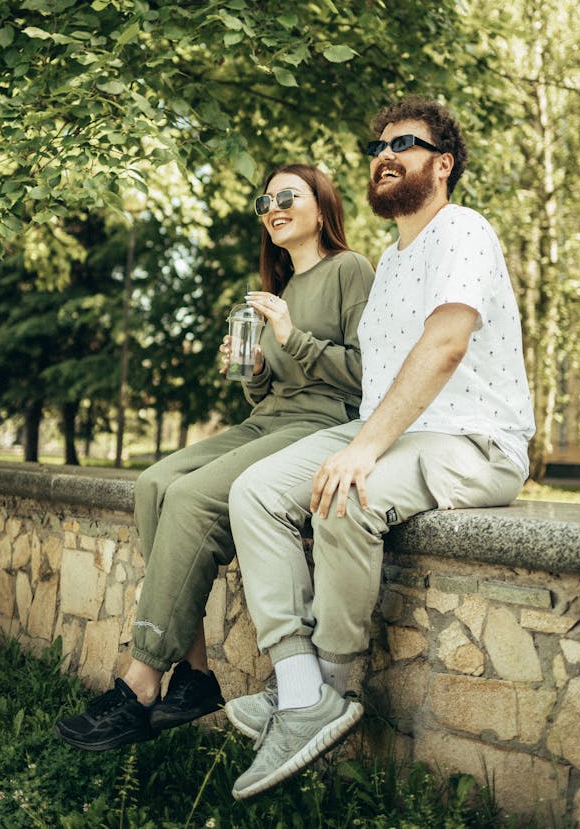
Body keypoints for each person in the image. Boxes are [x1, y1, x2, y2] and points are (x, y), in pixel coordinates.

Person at [226, 96, 535, 800]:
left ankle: (333, 686)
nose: (385, 153)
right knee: (255, 490)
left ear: (443, 162)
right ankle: (300, 681)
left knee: (343, 492)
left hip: (473, 438)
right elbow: (372, 379)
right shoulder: (392, 263)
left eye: (406, 142)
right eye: (377, 146)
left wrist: (362, 450)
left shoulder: (463, 229)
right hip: (394, 429)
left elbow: (447, 343)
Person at [54, 164, 374, 752]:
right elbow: (269, 393)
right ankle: (197, 675)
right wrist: (252, 370)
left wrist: (289, 333)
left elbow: (364, 372)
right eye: (265, 200)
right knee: (154, 483)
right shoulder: (278, 290)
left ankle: (142, 679)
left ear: (323, 206)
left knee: (195, 496)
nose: (273, 206)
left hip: (323, 424)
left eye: (288, 196)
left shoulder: (350, 270)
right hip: (267, 420)